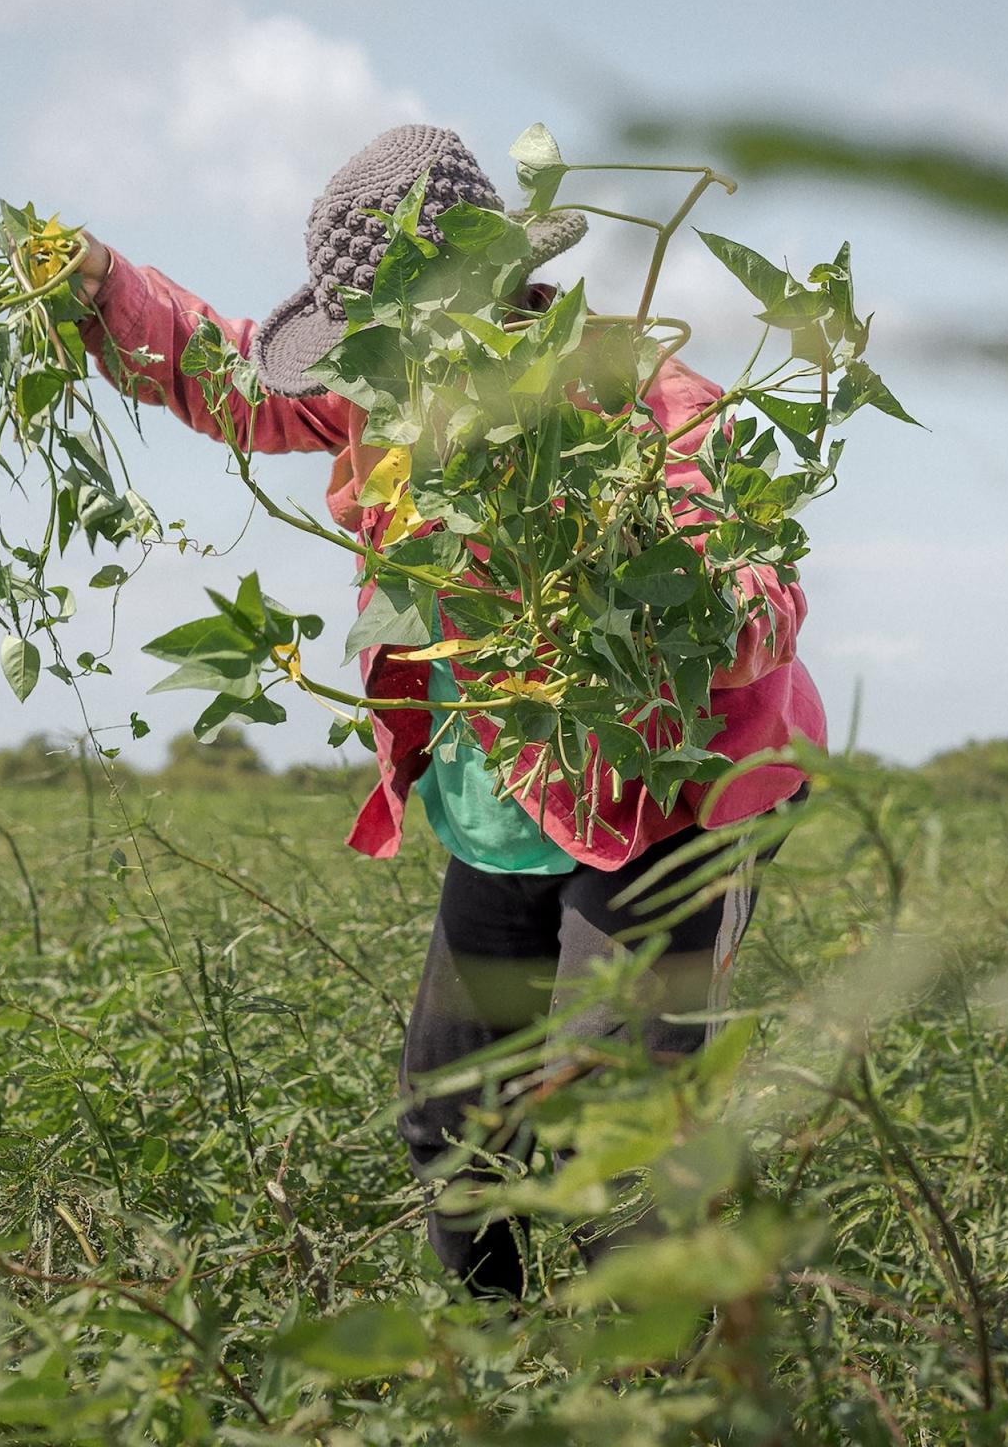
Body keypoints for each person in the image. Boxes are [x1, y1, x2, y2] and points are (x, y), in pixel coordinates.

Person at [66, 125, 825, 1295]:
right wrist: (98, 288)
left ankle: (648, 1395)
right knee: (452, 1116)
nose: (365, 373)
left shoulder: (636, 396)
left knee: (609, 1118)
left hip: (670, 802)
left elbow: (759, 598)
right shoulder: (385, 402)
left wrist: (670, 600)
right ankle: (495, 1374)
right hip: (501, 809)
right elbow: (230, 382)